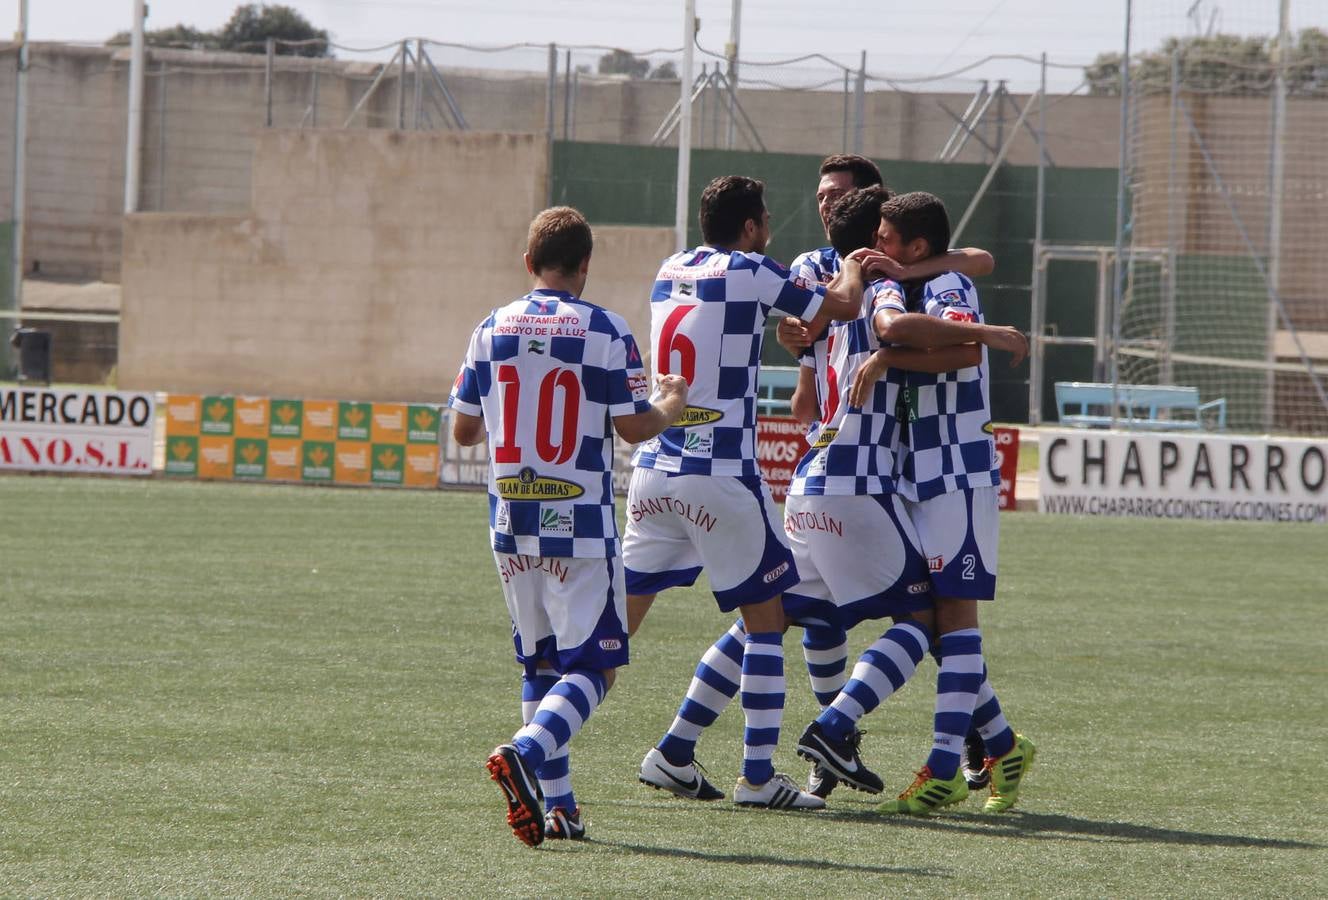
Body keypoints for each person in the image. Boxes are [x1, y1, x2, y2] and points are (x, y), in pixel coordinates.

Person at [626, 175, 871, 810]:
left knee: (609, 631)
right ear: (753, 227)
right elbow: (839, 308)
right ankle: (758, 778)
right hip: (721, 476)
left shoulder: (669, 266)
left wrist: (792, 325)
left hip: (654, 470)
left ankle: (547, 746)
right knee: (768, 622)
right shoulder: (752, 268)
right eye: (766, 219)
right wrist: (850, 267)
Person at [449, 206, 688, 847]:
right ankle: (526, 753)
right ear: (585, 266)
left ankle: (560, 808)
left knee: (540, 662)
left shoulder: (489, 327)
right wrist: (670, 400)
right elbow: (633, 427)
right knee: (596, 665)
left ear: (529, 264)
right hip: (578, 518)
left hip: (510, 517)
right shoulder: (605, 329)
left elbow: (464, 430)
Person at [785, 158, 1000, 799]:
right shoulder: (818, 271)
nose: (828, 207)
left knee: (942, 618)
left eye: (841, 198)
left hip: (946, 466)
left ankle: (956, 760)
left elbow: (965, 292)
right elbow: (807, 368)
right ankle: (985, 744)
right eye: (820, 195)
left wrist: (885, 345)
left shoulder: (901, 278)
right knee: (901, 618)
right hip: (897, 471)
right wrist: (803, 342)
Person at [853, 192, 1036, 814]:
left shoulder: (946, 281)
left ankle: (941, 769)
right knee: (937, 623)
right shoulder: (909, 277)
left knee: (955, 620)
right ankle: (1002, 746)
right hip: (916, 473)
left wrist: (886, 354)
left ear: (917, 247)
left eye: (887, 235)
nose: (878, 244)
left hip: (957, 468)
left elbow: (964, 345)